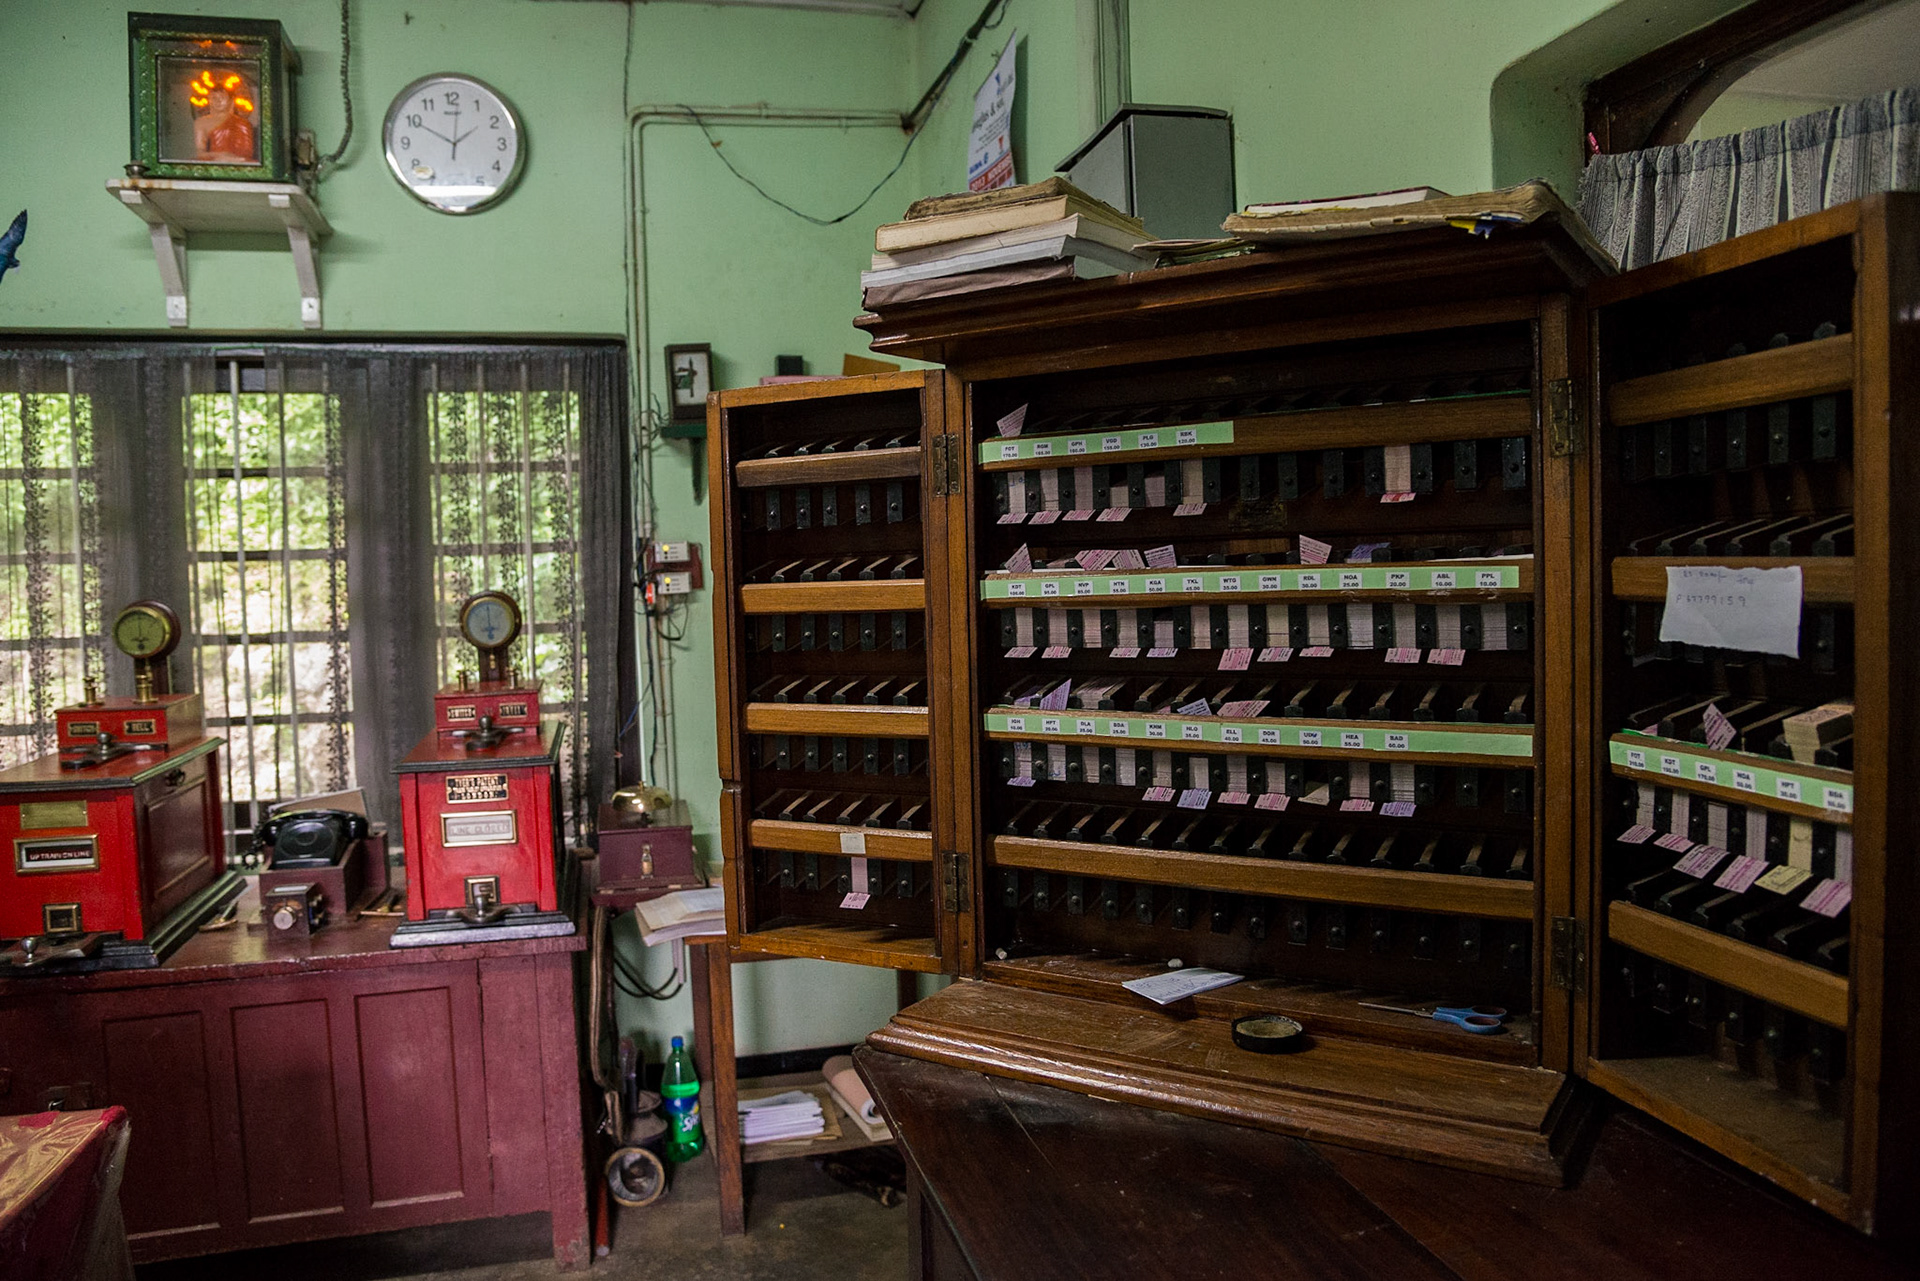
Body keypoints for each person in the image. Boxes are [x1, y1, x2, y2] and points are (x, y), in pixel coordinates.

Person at [194, 84, 257, 164]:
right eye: (214, 98)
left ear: (231, 100)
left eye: (222, 98)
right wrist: (219, 155)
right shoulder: (201, 122)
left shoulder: (243, 123)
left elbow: (247, 153)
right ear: (209, 99)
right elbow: (200, 153)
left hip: (237, 161)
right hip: (214, 161)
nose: (218, 101)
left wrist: (230, 158)